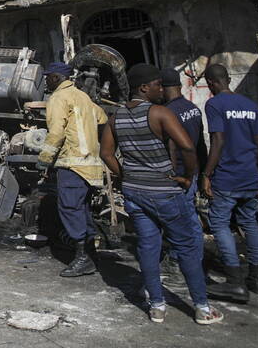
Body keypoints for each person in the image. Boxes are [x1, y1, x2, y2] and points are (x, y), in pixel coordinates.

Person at [99, 64, 223, 325]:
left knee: (148, 246)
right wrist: (189, 177)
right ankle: (202, 307)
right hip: (165, 192)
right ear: (144, 88)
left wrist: (125, 175)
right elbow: (188, 148)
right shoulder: (160, 113)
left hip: (135, 192)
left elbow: (106, 154)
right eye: (157, 84)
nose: (161, 89)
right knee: (188, 246)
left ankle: (156, 306)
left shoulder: (115, 117)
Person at [202, 63, 258, 301]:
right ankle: (257, 277)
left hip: (227, 177)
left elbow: (218, 141)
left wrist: (206, 174)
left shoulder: (214, 104)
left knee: (219, 223)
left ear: (210, 82)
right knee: (249, 222)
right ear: (228, 78)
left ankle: (234, 280)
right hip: (250, 174)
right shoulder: (250, 105)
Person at [37, 61, 107, 278]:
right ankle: (90, 253)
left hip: (72, 162)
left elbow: (56, 132)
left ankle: (84, 257)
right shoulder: (82, 96)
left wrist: (45, 159)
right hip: (90, 164)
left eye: (48, 76)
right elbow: (103, 119)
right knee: (81, 208)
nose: (46, 81)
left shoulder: (58, 98)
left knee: (69, 207)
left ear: (57, 78)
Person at [159, 68, 207, 285]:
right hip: (193, 171)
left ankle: (180, 263)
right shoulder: (192, 108)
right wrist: (205, 173)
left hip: (178, 174)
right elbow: (201, 145)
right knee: (190, 218)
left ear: (162, 88)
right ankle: (195, 260)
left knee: (179, 221)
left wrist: (170, 173)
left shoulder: (167, 112)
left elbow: (172, 148)